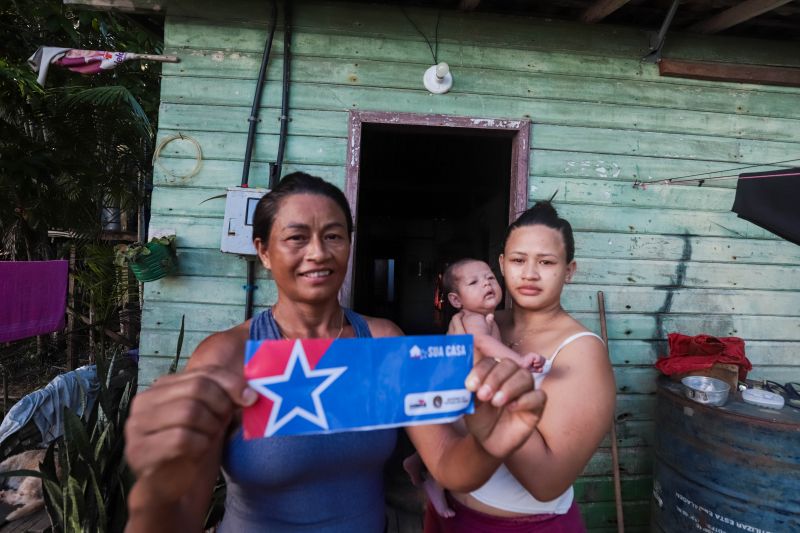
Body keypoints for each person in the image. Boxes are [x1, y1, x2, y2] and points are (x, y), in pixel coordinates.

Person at [123, 172, 547, 533]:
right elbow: (180, 516)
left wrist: (494, 440)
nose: (318, 253)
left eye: (333, 236)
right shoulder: (228, 355)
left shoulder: (382, 342)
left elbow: (451, 466)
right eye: (296, 238)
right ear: (264, 252)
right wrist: (156, 485)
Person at [424, 202, 616, 533]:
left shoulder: (580, 350)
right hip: (449, 513)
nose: (529, 273)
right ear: (501, 264)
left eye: (546, 262)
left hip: (525, 526)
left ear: (569, 270)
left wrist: (481, 368)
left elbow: (546, 482)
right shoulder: (483, 323)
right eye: (517, 260)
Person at [404, 258, 546, 518]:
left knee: (452, 434)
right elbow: (483, 344)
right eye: (474, 282)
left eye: (490, 277)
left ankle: (414, 461)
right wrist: (520, 361)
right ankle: (435, 485)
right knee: (456, 441)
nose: (487, 284)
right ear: (457, 301)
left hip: (458, 387)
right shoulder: (473, 319)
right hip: (457, 391)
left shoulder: (486, 318)